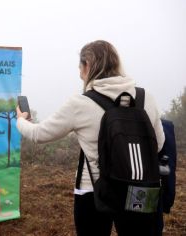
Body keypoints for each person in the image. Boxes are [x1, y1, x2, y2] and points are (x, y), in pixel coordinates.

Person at [16, 40, 165, 236]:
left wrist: (20, 120)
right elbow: (158, 144)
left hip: (93, 190)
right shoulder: (146, 98)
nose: (79, 74)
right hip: (140, 188)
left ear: (87, 65)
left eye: (80, 67)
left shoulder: (80, 104)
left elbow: (38, 134)